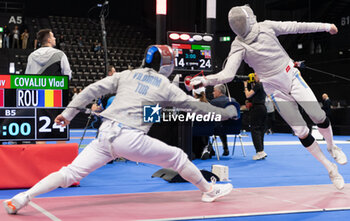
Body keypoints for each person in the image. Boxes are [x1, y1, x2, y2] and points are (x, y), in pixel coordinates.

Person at [3, 45, 237, 215]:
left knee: (70, 173)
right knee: (177, 156)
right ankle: (208, 190)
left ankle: (23, 197)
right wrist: (225, 112)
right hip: (129, 137)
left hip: (105, 134)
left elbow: (91, 90)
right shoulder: (165, 84)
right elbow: (193, 105)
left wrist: (68, 113)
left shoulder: (126, 75)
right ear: (166, 65)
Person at [190, 5, 347, 189]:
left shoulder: (267, 26)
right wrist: (206, 80)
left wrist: (326, 26)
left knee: (318, 116)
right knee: (301, 132)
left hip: (292, 77)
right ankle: (330, 168)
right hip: (274, 90)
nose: (240, 25)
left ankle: (332, 147)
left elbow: (297, 26)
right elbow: (227, 74)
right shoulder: (238, 44)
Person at [243, 73, 267, 160]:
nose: (254, 77)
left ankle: (260, 151)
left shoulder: (259, 85)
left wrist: (245, 86)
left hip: (257, 108)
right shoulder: (263, 85)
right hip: (263, 108)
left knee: (255, 129)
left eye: (255, 75)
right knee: (261, 130)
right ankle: (261, 150)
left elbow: (248, 95)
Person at [210, 84, 233, 156]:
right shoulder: (233, 100)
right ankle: (225, 148)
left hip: (217, 128)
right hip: (233, 128)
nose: (212, 93)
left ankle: (210, 149)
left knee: (204, 126)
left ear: (218, 91)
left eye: (214, 91)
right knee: (222, 125)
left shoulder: (214, 102)